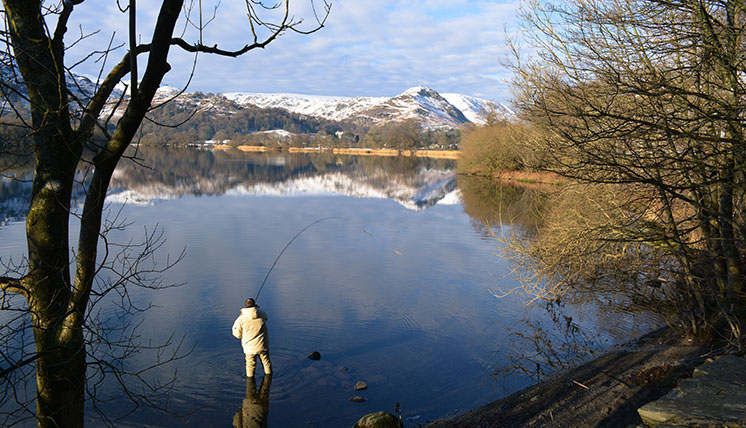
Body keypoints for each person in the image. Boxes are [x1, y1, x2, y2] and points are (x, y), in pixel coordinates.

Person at [232, 298, 272, 378]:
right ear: (255, 305)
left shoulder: (241, 319)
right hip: (263, 345)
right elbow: (266, 318)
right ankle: (269, 378)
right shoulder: (262, 314)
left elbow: (236, 334)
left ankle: (250, 383)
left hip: (249, 348)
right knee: (266, 362)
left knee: (250, 365)